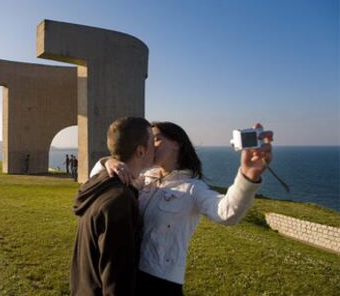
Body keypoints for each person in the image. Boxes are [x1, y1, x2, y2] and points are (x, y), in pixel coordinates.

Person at [91, 121, 273, 296]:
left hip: (161, 283)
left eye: (156, 139)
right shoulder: (144, 178)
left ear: (177, 144)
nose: (150, 146)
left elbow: (227, 213)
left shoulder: (193, 188)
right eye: (149, 140)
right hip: (129, 274)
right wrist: (108, 162)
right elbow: (98, 184)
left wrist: (248, 176)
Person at [70, 117, 155, 296]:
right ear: (140, 151)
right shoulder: (119, 200)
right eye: (152, 142)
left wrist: (107, 161)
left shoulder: (99, 182)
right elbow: (116, 273)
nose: (156, 148)